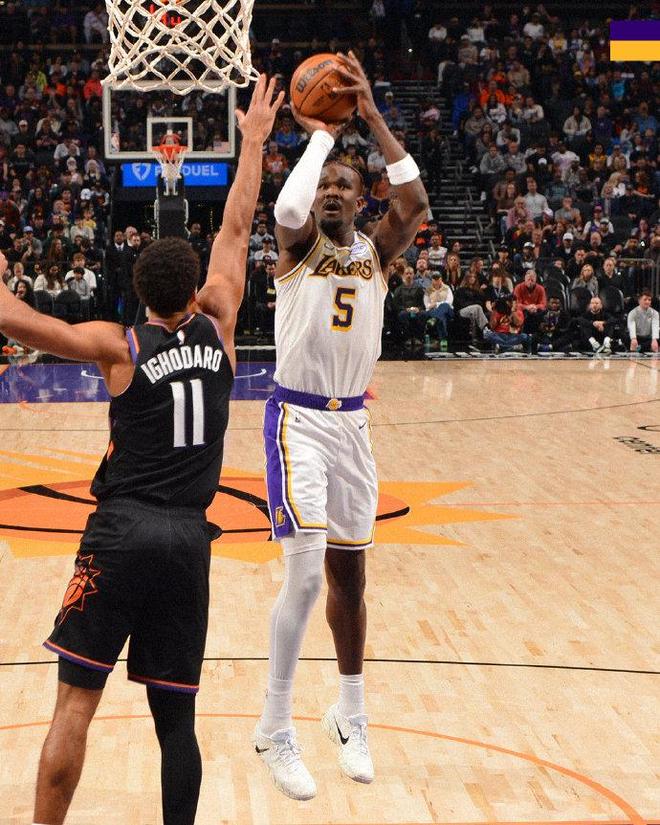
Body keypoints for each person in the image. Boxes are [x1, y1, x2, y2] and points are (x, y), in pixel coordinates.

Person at [0, 75, 282, 825]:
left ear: (140, 291)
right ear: (198, 290)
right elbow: (236, 224)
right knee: (177, 722)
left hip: (122, 531)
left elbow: (24, 325)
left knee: (74, 704)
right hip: (189, 539)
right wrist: (253, 140)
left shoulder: (120, 348)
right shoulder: (222, 325)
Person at [254, 50, 428, 800]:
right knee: (302, 571)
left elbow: (414, 201)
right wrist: (321, 134)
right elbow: (286, 211)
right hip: (296, 418)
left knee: (350, 579)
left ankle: (349, 714)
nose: (329, 192)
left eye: (343, 186)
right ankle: (274, 726)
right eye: (325, 184)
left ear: (361, 200)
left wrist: (376, 119)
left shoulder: (376, 252)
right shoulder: (297, 249)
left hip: (353, 426)